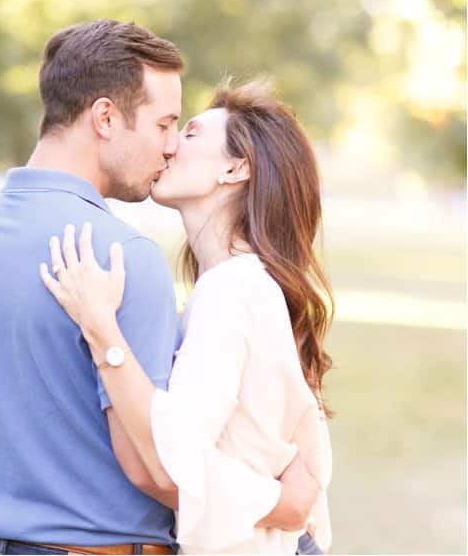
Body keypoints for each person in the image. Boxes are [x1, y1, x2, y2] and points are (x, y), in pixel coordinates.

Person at [0, 20, 320, 556]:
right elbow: (156, 466)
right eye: (165, 125)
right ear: (106, 117)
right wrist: (284, 506)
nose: (168, 146)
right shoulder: (120, 256)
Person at [38, 78, 333, 554]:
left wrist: (99, 325)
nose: (170, 144)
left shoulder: (233, 289)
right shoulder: (244, 285)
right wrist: (286, 502)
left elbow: (175, 459)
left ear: (236, 168)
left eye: (190, 133)